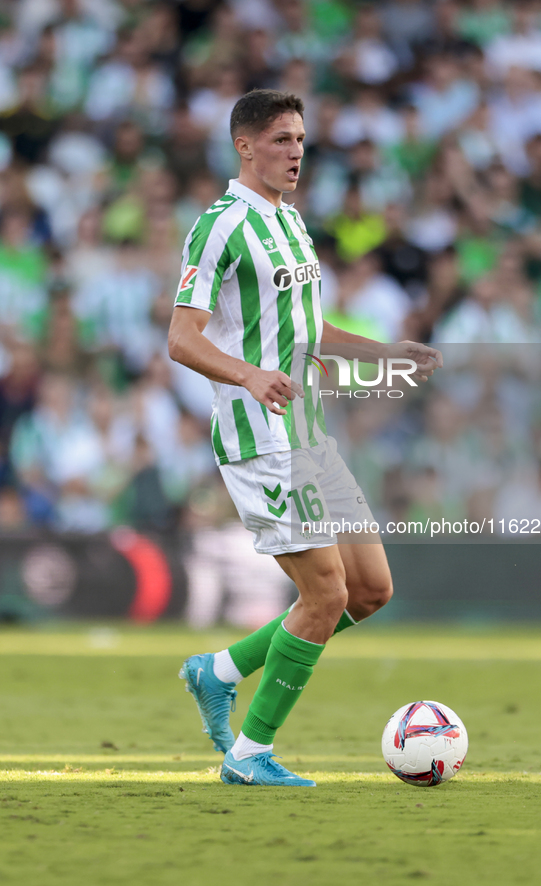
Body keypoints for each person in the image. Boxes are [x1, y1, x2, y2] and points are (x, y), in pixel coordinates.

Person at [168, 89, 442, 787]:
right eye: (282, 140)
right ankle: (249, 754)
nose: (295, 152)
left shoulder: (291, 223)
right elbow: (180, 338)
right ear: (245, 146)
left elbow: (309, 330)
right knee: (323, 596)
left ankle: (219, 670)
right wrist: (249, 376)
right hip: (261, 435)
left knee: (368, 591)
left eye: (299, 139)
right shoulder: (220, 226)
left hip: (309, 431)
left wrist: (385, 352)